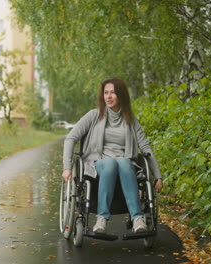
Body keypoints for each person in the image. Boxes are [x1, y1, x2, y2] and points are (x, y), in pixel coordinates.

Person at [62, 78, 163, 234]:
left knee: (122, 162)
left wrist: (157, 176)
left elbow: (145, 147)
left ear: (121, 95)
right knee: (110, 163)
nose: (108, 96)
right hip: (99, 163)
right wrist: (67, 167)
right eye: (106, 93)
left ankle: (137, 218)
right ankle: (101, 219)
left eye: (113, 93)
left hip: (125, 164)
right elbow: (71, 138)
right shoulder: (93, 116)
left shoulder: (131, 121)